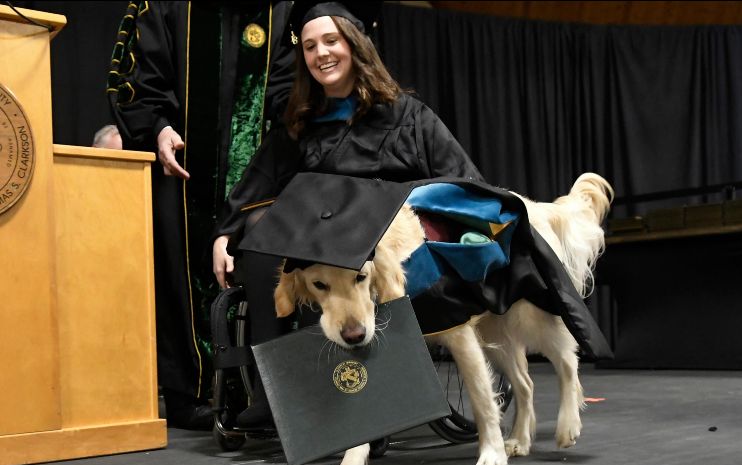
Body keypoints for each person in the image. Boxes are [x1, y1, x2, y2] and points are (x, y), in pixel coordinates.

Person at [211, 2, 484, 427]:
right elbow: (258, 179)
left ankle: (402, 390)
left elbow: (462, 184)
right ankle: (275, 392)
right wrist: (223, 236)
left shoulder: (408, 118)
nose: (321, 53)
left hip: (391, 253)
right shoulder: (302, 123)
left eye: (331, 41)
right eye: (309, 46)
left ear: (354, 44)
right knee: (259, 225)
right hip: (324, 257)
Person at [107, 1, 296, 430]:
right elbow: (135, 79)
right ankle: (190, 392)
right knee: (180, 274)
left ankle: (262, 391)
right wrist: (157, 127)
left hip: (261, 175)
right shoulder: (164, 5)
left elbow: (293, 87)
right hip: (180, 170)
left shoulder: (284, 10)